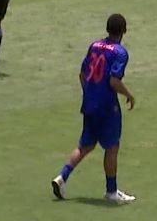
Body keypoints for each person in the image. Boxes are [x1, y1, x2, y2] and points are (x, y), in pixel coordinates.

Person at [51, 14, 137, 204]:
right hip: (107, 106)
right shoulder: (120, 52)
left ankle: (62, 177)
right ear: (124, 31)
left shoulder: (94, 46)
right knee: (112, 147)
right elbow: (114, 80)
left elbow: (82, 74)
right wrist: (129, 95)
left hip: (90, 103)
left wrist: (89, 93)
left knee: (85, 145)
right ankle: (111, 191)